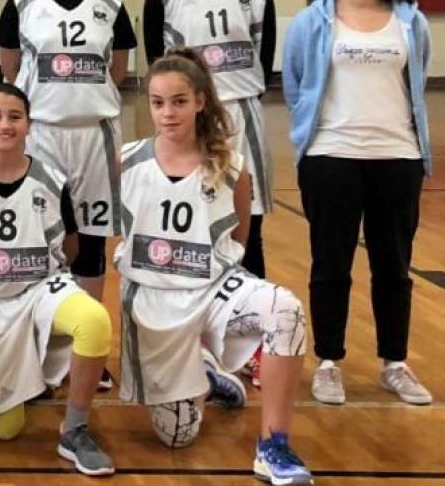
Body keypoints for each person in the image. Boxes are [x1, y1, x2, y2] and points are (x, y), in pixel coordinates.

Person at [117, 49, 312, 485]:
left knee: (285, 310)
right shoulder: (126, 161)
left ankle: (274, 446)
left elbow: (238, 240)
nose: (168, 113)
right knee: (177, 437)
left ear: (200, 101)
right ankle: (206, 375)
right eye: (158, 102)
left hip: (212, 291)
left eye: (179, 101)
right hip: (153, 300)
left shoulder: (231, 167)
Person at [283, 0, 432, 407]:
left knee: (394, 266)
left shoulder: (410, 19)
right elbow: (297, 84)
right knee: (331, 264)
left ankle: (395, 363)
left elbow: (417, 80)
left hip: (398, 157)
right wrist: (314, 132)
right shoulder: (312, 20)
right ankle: (329, 362)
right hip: (330, 156)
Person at [0, 83, 115, 477]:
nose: (5, 125)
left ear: (29, 125)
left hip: (42, 289)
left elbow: (71, 246)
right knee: (6, 431)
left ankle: (74, 429)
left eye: (15, 117)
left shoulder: (52, 180)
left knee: (93, 320)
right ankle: (31, 377)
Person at [0, 0, 136, 390]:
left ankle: (87, 351)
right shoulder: (21, 1)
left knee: (91, 243)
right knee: (41, 241)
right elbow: (11, 70)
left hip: (94, 134)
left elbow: (118, 70)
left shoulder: (111, 4)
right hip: (43, 133)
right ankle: (41, 345)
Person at [143, 0, 276, 283]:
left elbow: (263, 64)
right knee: (191, 221)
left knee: (248, 226)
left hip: (241, 115)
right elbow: (158, 69)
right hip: (187, 120)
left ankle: (248, 311)